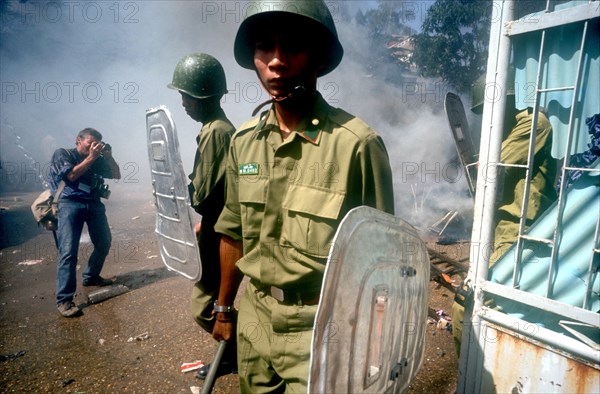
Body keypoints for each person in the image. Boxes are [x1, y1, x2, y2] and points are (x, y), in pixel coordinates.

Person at [211, 1, 395, 392]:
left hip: (322, 326)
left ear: (318, 58)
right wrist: (225, 308)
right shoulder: (243, 142)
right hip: (256, 319)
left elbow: (383, 260)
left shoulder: (356, 146)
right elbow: (232, 233)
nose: (276, 62)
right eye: (264, 47)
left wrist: (376, 347)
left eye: (292, 47)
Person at [451, 73, 557, 354]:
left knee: (466, 304)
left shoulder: (535, 124)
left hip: (522, 231)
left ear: (506, 101)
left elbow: (493, 167)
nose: (486, 117)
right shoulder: (510, 129)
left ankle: (469, 375)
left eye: (488, 109)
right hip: (503, 226)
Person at [167, 53, 237, 379]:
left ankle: (240, 352)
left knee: (204, 306)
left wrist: (183, 192)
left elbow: (204, 193)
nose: (182, 103)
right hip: (215, 224)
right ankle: (233, 353)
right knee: (215, 300)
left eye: (186, 96)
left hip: (221, 231)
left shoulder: (215, 133)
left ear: (202, 95)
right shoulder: (218, 128)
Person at [49, 128, 121, 318]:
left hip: (92, 202)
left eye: (97, 144)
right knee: (68, 251)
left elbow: (116, 174)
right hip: (69, 203)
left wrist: (109, 156)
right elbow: (71, 176)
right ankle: (64, 300)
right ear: (79, 140)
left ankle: (91, 277)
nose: (93, 147)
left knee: (104, 241)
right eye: (90, 143)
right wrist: (92, 157)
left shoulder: (96, 158)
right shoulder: (63, 154)